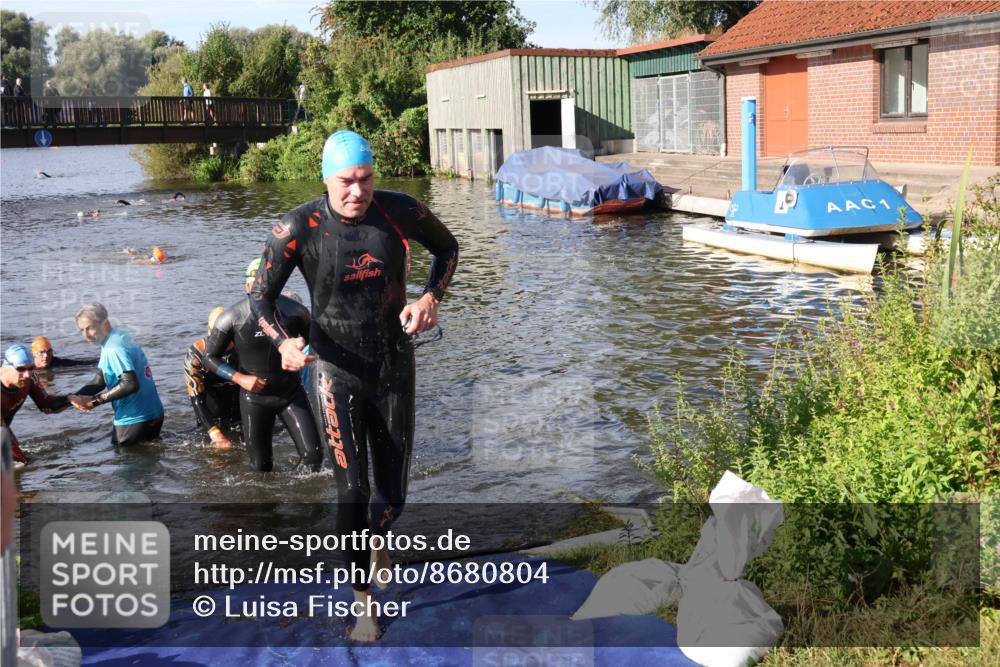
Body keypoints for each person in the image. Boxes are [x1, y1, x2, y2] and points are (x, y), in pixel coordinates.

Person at [249, 129, 459, 641]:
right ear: (327, 179)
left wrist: (430, 297)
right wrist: (282, 342)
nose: (357, 191)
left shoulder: (401, 211)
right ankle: (364, 605)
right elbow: (260, 297)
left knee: (392, 496)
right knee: (352, 490)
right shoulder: (297, 227)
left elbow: (448, 249)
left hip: (392, 363)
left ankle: (376, 538)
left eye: (365, 179)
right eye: (346, 181)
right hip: (331, 369)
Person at [203, 259, 321, 472]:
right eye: (256, 283)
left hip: (290, 394)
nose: (261, 289)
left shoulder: (295, 311)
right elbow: (209, 357)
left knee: (313, 457)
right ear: (247, 286)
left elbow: (321, 346)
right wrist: (240, 378)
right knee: (261, 468)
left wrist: (305, 346)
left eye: (267, 283)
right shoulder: (232, 317)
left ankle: (298, 491)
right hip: (254, 399)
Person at [67, 303, 164, 446]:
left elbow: (130, 384)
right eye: (82, 330)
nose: (86, 335)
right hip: (154, 413)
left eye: (90, 328)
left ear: (105, 324)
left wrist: (94, 401)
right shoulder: (118, 336)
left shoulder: (112, 348)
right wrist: (69, 399)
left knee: (124, 457)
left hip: (134, 418)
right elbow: (99, 381)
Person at [1, 344, 70, 465]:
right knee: (20, 463)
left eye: (31, 368)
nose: (27, 374)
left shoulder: (29, 378)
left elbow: (46, 403)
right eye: (20, 369)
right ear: (4, 368)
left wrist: (71, 399)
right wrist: (26, 462)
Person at [184, 307, 241, 448]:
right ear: (210, 332)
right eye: (219, 335)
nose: (224, 342)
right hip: (211, 418)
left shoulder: (244, 348)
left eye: (228, 336)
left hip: (242, 415)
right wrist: (214, 433)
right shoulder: (196, 354)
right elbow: (196, 398)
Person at [31, 336, 98, 370]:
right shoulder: (28, 367)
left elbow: (84, 364)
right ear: (34, 354)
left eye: (49, 351)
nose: (46, 355)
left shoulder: (60, 364)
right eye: (42, 352)